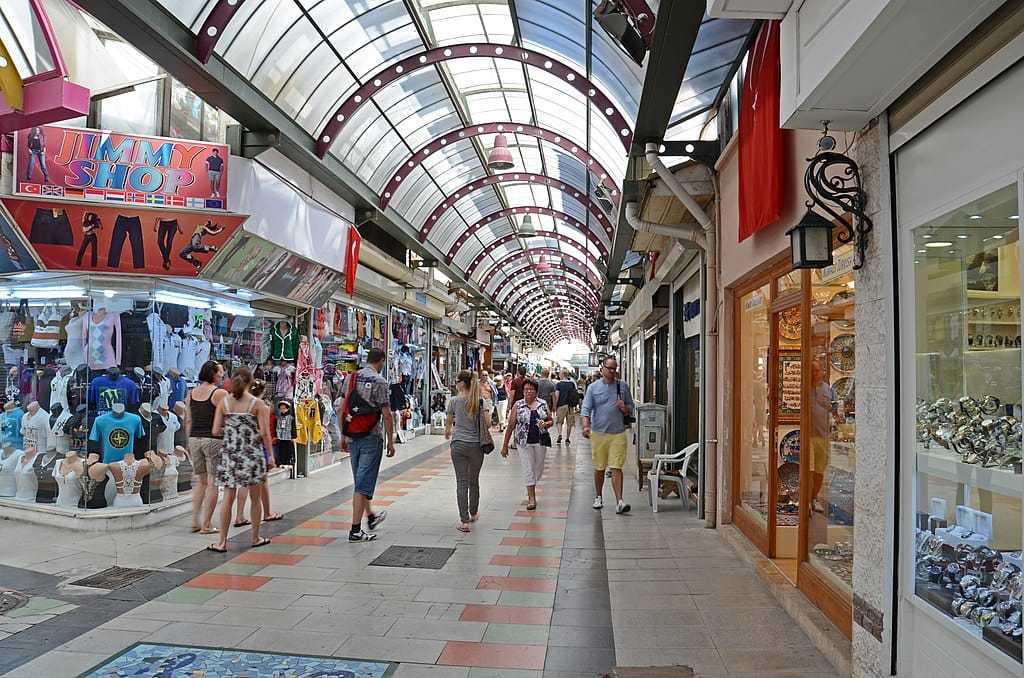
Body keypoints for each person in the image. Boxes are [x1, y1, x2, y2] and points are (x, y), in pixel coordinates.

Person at [207, 368, 272, 552]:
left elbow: (214, 431)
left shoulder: (224, 403)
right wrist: (270, 454)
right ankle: (255, 537)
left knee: (228, 498)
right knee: (255, 498)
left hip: (230, 454)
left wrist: (231, 433)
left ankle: (221, 542)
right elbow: (264, 432)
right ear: (251, 382)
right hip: (251, 455)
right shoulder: (257, 404)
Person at [340, 347, 395, 542]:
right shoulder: (380, 381)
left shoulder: (351, 378)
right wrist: (391, 441)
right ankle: (355, 530)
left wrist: (343, 435)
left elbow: (343, 407)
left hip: (353, 435)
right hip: (372, 437)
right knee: (362, 484)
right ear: (380, 361)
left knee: (359, 481)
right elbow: (387, 415)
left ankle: (370, 516)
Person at [581, 356, 634, 514]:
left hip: (618, 433)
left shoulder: (622, 386)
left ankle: (620, 501)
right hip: (599, 434)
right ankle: (598, 496)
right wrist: (585, 426)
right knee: (599, 468)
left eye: (614, 368)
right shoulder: (593, 388)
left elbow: (631, 407)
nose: (612, 371)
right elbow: (586, 409)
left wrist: (624, 407)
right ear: (602, 368)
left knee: (617, 467)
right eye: (609, 368)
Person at [185, 360, 227, 533]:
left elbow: (188, 419)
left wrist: (188, 441)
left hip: (195, 438)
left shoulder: (191, 393)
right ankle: (207, 524)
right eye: (220, 373)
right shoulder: (220, 393)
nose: (222, 375)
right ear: (213, 374)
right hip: (213, 439)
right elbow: (228, 416)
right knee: (212, 482)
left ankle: (195, 520)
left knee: (200, 482)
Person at [445, 370, 488, 533]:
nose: (456, 383)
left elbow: (448, 426)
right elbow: (489, 423)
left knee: (461, 482)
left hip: (458, 445)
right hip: (476, 446)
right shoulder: (480, 401)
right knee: (473, 480)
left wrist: (450, 432)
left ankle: (464, 522)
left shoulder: (454, 401)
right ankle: (474, 512)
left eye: (457, 381)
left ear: (463, 383)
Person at [500, 379, 553, 511]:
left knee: (539, 468)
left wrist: (546, 424)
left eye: (531, 389)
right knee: (528, 467)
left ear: (536, 391)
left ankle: (532, 484)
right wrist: (505, 445)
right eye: (526, 389)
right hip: (523, 442)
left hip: (540, 441)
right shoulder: (518, 405)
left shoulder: (542, 403)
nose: (528, 392)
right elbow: (511, 425)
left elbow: (550, 420)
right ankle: (531, 497)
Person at [553, 369, 580, 446]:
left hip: (561, 405)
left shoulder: (559, 384)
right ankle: (567, 438)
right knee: (569, 423)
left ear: (562, 374)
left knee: (559, 422)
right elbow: (575, 394)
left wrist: (555, 405)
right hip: (570, 406)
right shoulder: (571, 384)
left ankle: (560, 434)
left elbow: (557, 395)